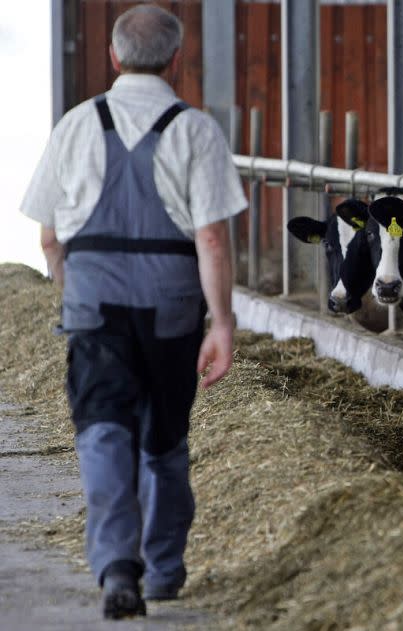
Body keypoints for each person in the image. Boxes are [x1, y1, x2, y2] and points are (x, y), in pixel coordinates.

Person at [20, 4, 246, 620]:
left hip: (94, 300)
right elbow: (213, 240)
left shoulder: (75, 125)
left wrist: (74, 293)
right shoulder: (195, 129)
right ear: (178, 60)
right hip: (171, 304)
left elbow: (48, 237)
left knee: (102, 427)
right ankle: (165, 569)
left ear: (113, 58)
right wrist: (222, 323)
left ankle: (118, 566)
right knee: (163, 435)